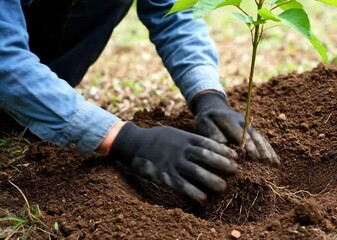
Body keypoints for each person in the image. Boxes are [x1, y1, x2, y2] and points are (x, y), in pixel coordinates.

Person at [0, 0, 279, 203]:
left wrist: (208, 96)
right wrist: (120, 138)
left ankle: (37, 99)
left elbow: (172, 14)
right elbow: (5, 61)